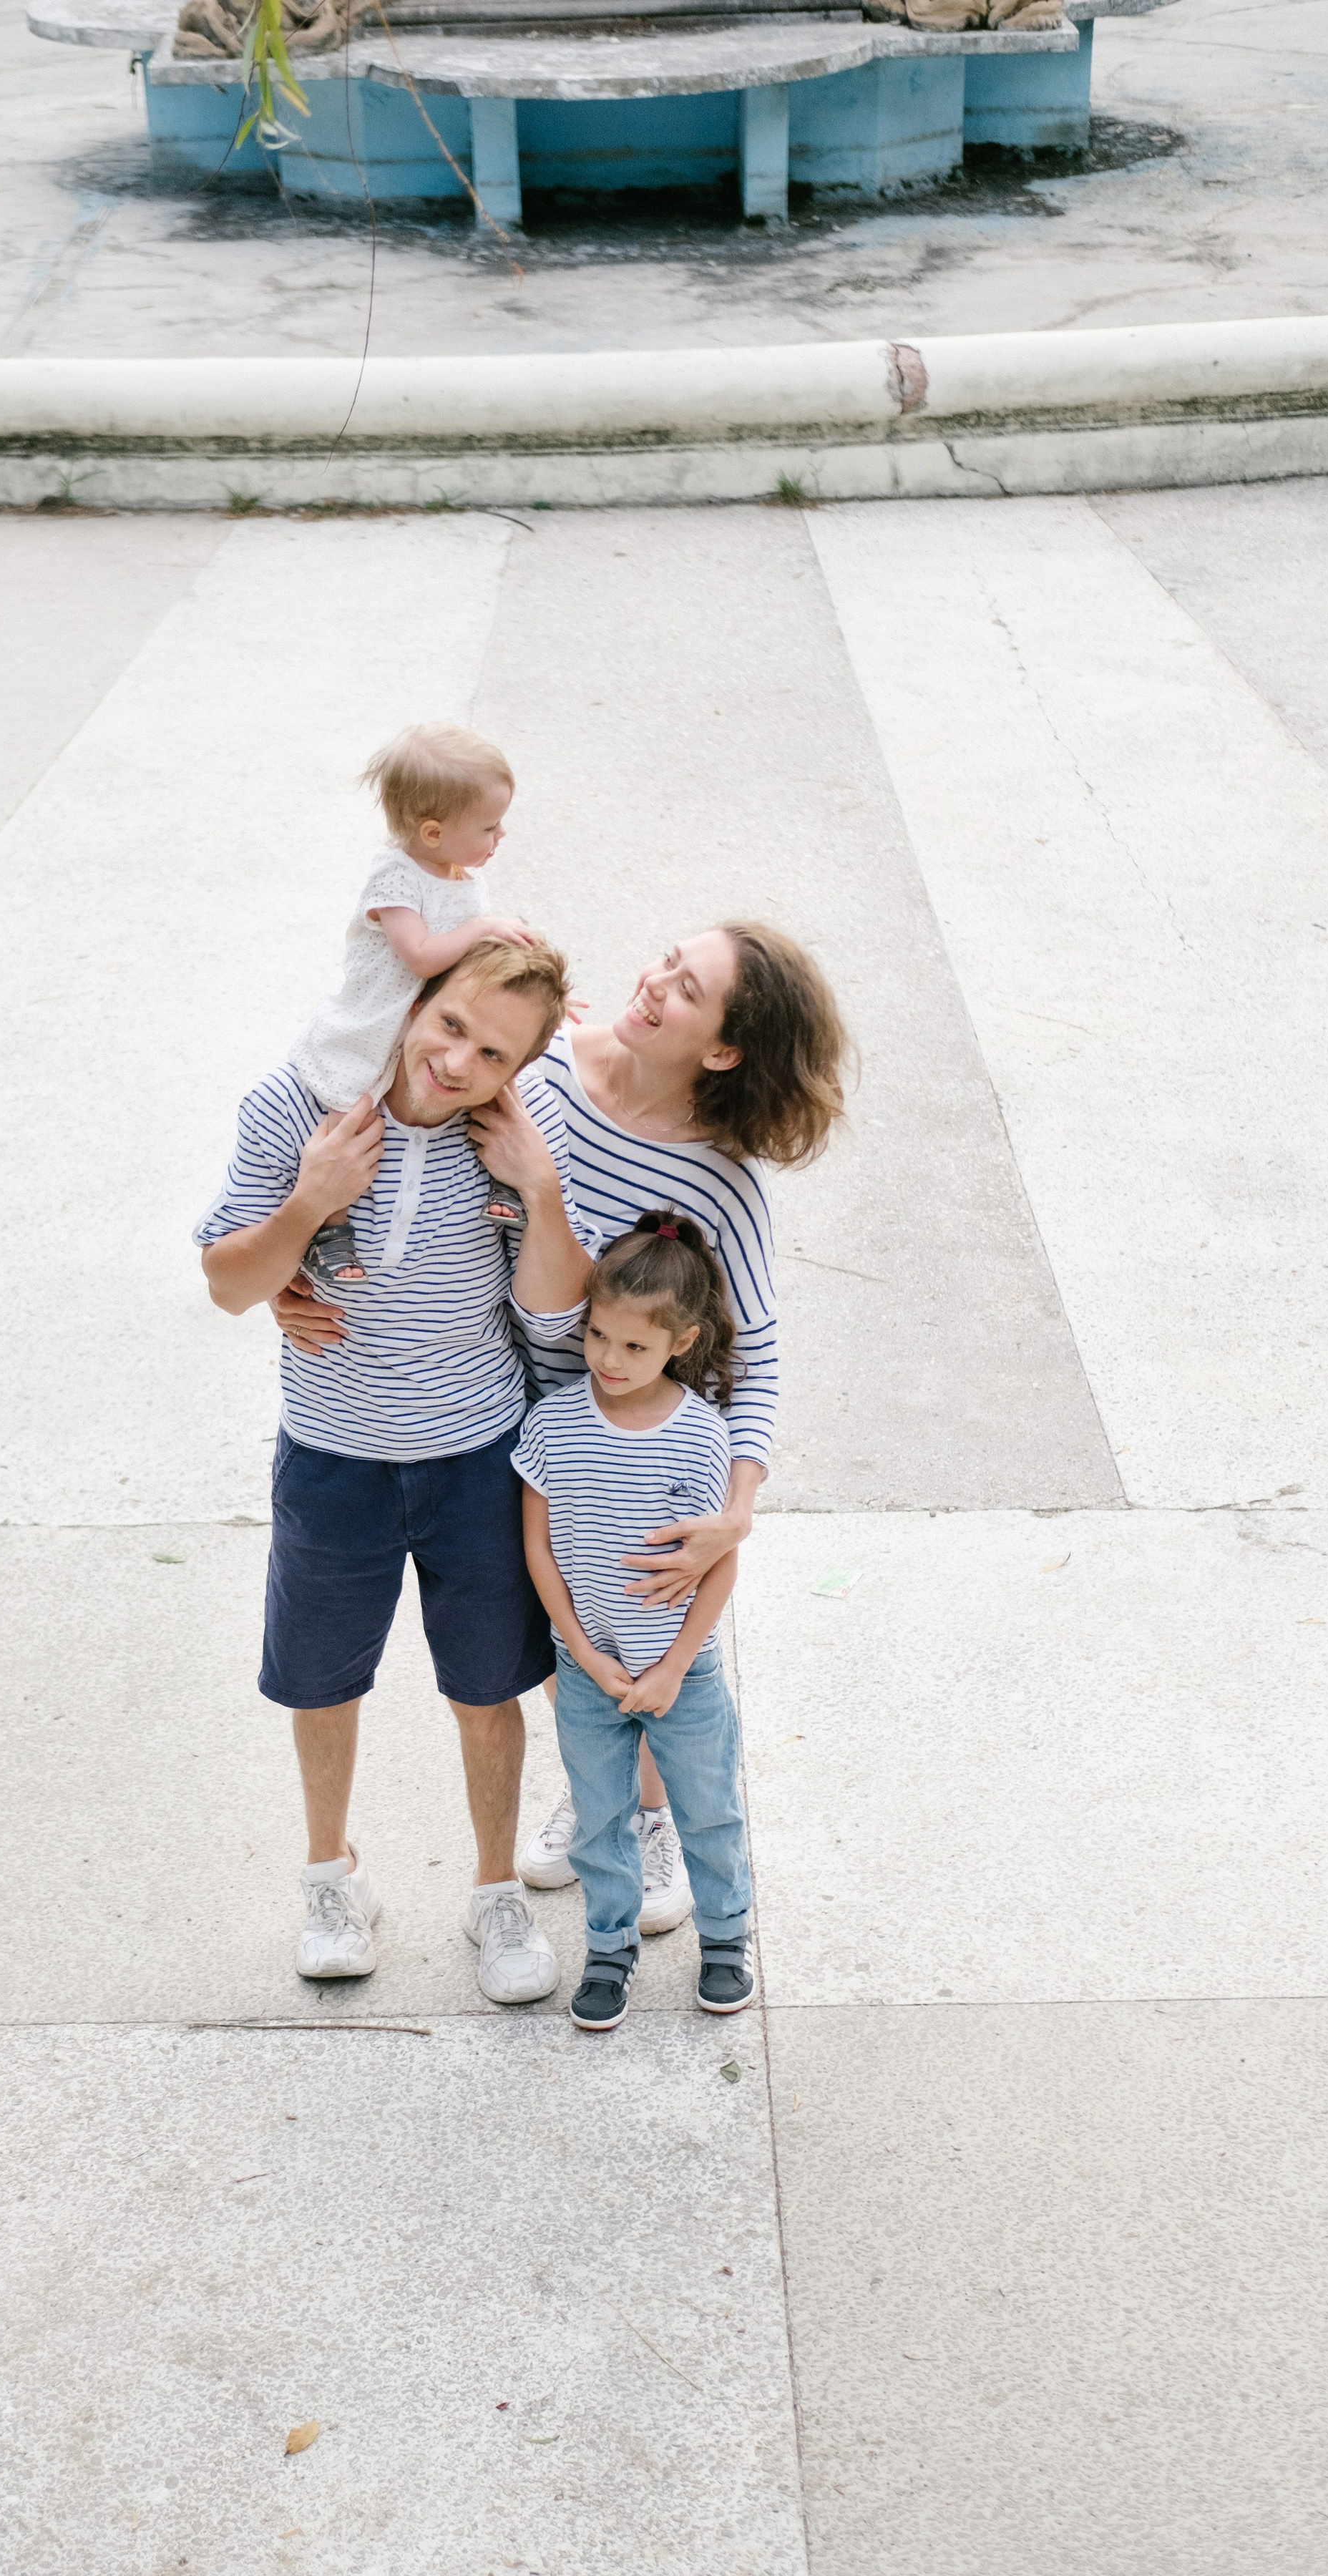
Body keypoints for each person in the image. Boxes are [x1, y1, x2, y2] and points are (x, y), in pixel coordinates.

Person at [272, 922, 850, 1928]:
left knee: (634, 1629)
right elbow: (419, 1137)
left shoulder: (720, 1183)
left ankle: (652, 1818)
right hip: (505, 1418)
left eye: (687, 988)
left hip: (634, 1445)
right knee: (552, 1638)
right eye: (668, 956)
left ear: (721, 1050)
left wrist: (737, 1512)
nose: (654, 980)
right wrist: (295, 1272)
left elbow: (752, 1359)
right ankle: (603, 1798)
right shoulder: (534, 1070)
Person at [196, 935, 592, 2001]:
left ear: (521, 1071)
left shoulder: (516, 1132)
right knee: (320, 1684)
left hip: (476, 1454)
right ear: (416, 1000)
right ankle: (333, 1879)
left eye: (495, 1055)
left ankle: (495, 1892)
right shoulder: (300, 1105)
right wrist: (310, 1204)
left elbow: (553, 1312)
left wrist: (541, 1190)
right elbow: (231, 1286)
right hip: (333, 1454)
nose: (460, 1062)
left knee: (489, 1686)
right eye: (452, 1025)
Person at [514, 1215, 753, 2031]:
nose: (609, 1361)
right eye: (597, 1337)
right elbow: (539, 1550)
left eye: (633, 1347)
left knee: (708, 1807)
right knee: (601, 1818)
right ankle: (609, 1951)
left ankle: (725, 1939)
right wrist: (581, 1651)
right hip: (588, 1672)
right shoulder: (553, 1424)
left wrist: (671, 1668)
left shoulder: (699, 1435)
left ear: (681, 1342)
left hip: (681, 1674)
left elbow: (719, 1563)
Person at [290, 723, 533, 1299]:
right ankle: (330, 1229)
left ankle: (506, 1184)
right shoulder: (396, 877)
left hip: (435, 1015)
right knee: (348, 1108)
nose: (502, 834)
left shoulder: (462, 878)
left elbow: (482, 956)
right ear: (432, 831)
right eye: (489, 825)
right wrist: (482, 928)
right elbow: (422, 955)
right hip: (380, 1015)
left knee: (494, 1081)